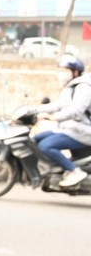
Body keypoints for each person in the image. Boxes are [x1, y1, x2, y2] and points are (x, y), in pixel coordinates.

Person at [32, 54, 91, 187]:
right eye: (60, 70)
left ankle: (74, 171)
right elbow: (60, 104)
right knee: (36, 139)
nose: (61, 74)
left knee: (46, 145)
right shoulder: (72, 86)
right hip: (71, 128)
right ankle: (54, 169)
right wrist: (35, 109)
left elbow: (75, 110)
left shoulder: (83, 88)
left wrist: (53, 117)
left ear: (75, 72)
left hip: (83, 131)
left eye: (65, 71)